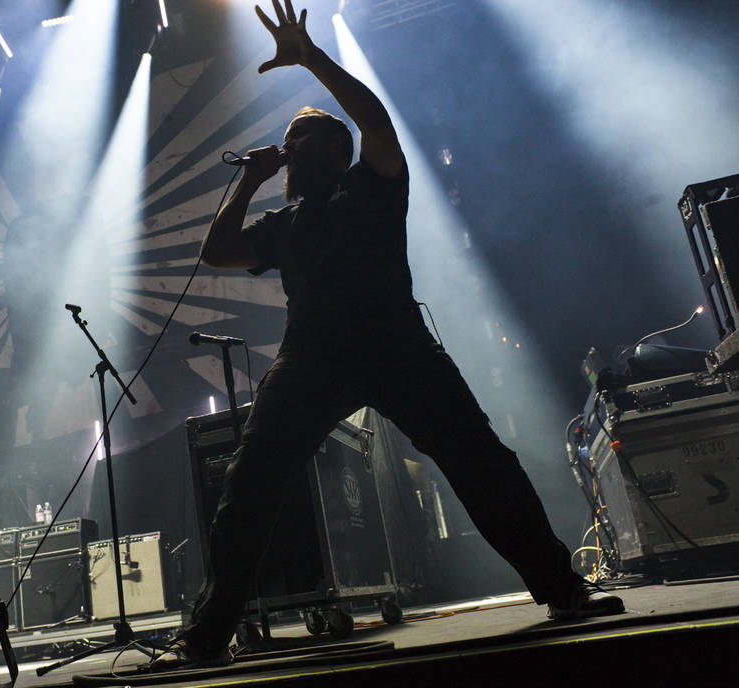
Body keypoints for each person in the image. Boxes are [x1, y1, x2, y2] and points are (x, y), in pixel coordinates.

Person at [158, 0, 623, 668]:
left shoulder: (372, 186)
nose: (292, 143)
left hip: (398, 346)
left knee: (482, 464)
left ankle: (561, 590)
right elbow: (218, 252)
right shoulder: (284, 224)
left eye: (305, 135)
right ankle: (205, 637)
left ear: (335, 150)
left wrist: (311, 58)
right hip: (311, 358)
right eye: (290, 136)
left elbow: (374, 119)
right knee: (250, 483)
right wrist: (250, 180)